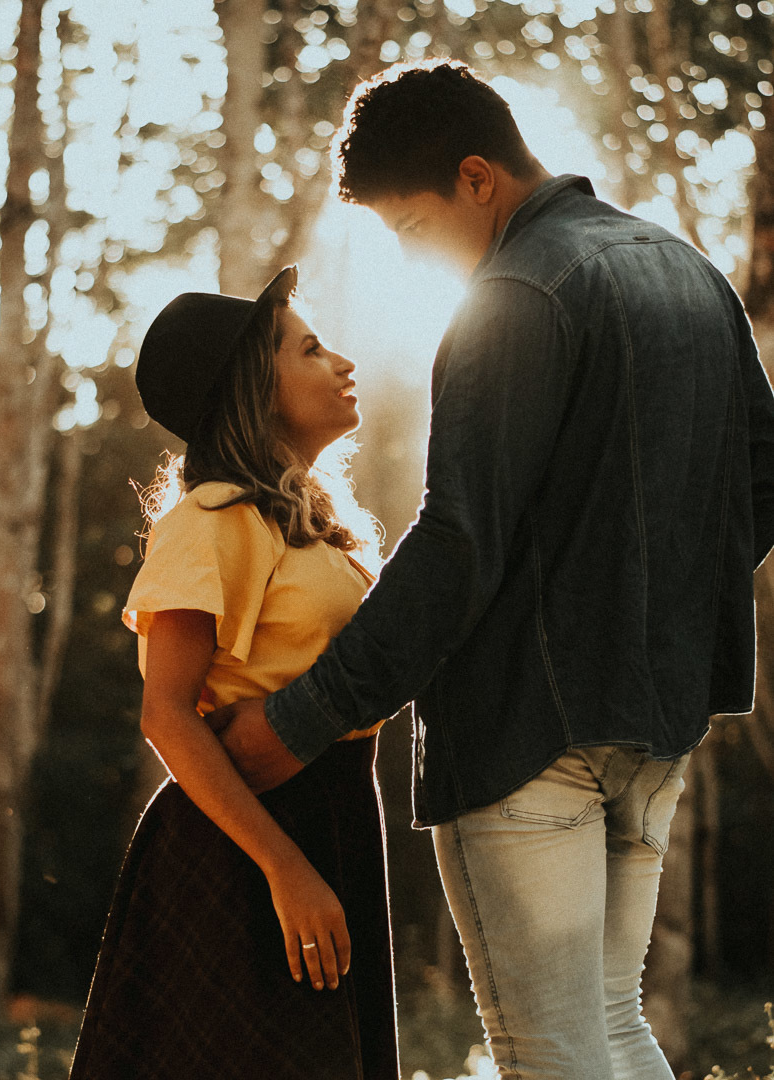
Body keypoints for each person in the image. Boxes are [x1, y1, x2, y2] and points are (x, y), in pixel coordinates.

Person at [216, 62, 774, 1080]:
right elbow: (760, 483)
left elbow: (457, 543)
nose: (419, 261)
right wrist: (658, 611)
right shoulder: (688, 269)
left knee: (549, 1048)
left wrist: (296, 721)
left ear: (478, 179)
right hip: (655, 727)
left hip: (527, 737)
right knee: (611, 1026)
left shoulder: (514, 295)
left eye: (413, 230)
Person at [68, 266, 398, 1080]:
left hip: (342, 816)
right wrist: (285, 869)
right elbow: (165, 716)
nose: (344, 363)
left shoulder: (312, 525)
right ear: (257, 388)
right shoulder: (211, 519)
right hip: (242, 850)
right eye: (313, 349)